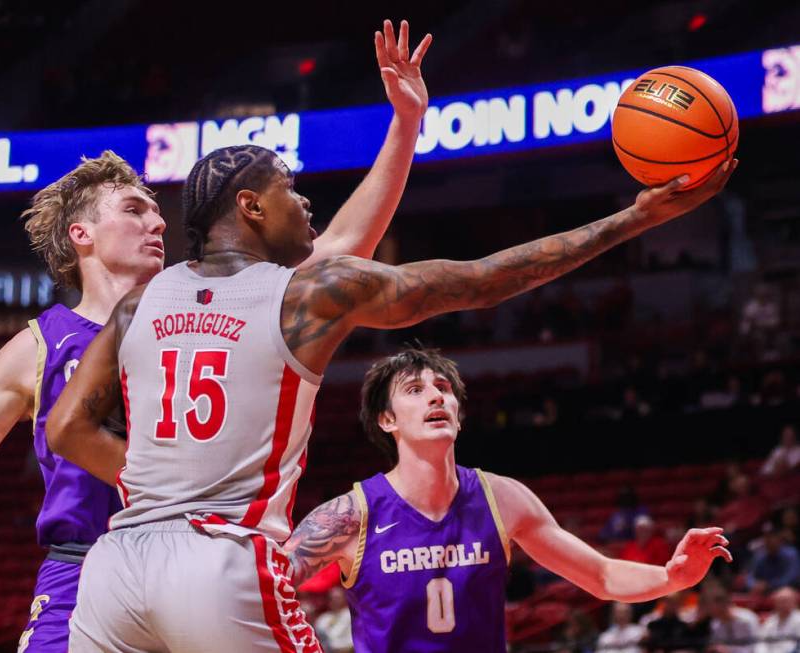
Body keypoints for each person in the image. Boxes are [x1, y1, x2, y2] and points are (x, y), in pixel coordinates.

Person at [49, 83, 737, 647]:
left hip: (116, 569)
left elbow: (65, 428)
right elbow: (482, 279)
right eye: (290, 187)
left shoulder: (140, 303)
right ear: (250, 206)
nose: (306, 199)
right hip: (218, 557)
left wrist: (161, 485)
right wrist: (634, 220)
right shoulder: (307, 293)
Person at [0, 17, 431, 650]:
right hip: (84, 574)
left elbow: (345, 244)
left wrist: (405, 124)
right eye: (134, 210)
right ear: (81, 235)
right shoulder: (36, 348)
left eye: (159, 212)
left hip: (205, 563)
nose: (157, 223)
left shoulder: (217, 294)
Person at [281, 349, 731, 652]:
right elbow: (264, 588)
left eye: (443, 387)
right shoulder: (352, 514)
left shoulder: (502, 498)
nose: (436, 394)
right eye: (414, 390)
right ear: (386, 420)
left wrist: (672, 578)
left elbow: (601, 574)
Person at [756, 587, 800, 653]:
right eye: (780, 601)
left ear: (794, 602)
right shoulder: (770, 621)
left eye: (785, 601)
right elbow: (761, 642)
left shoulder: (798, 619)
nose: (783, 604)